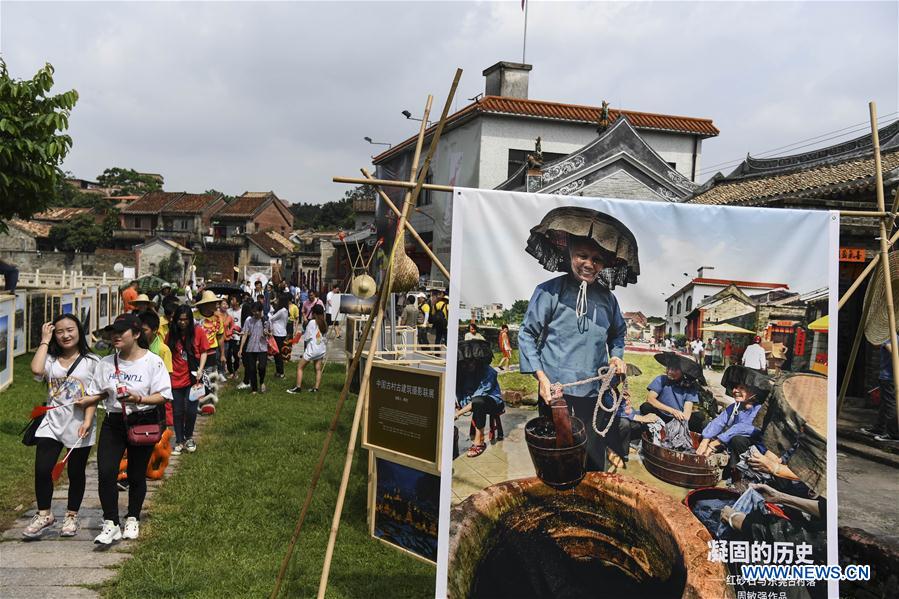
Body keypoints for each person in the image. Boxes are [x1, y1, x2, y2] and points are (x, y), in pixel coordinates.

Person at [518, 207, 638, 472]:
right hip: (555, 392)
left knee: (593, 456)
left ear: (604, 264)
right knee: (557, 455)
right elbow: (527, 333)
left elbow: (617, 333)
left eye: (596, 259)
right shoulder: (549, 292)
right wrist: (541, 378)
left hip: (594, 392)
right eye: (582, 255)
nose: (589, 263)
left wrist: (617, 355)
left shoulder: (608, 299)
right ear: (569, 254)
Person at [93, 314, 172, 544]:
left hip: (142, 421)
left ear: (136, 334)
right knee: (106, 473)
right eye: (113, 332)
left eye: (121, 332)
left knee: (137, 474)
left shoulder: (152, 361)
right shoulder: (106, 363)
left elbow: (164, 395)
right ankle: (110, 522)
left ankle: (133, 517)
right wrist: (85, 403)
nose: (115, 336)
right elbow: (97, 391)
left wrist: (140, 398)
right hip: (114, 422)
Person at [24, 315, 102, 539]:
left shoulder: (92, 361)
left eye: (70, 330)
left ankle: (71, 516)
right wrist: (44, 340)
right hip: (51, 423)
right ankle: (44, 514)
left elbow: (94, 394)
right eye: (59, 331)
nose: (66, 335)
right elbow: (37, 370)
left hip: (79, 425)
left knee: (76, 472)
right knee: (42, 469)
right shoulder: (50, 359)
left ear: (79, 330)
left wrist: (88, 420)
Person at [697, 365, 770, 474]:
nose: (735, 390)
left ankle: (736, 473)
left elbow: (742, 428)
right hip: (730, 441)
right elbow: (718, 422)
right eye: (735, 387)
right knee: (707, 425)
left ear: (754, 392)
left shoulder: (760, 409)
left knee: (737, 439)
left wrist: (714, 443)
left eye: (742, 388)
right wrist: (705, 440)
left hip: (754, 448)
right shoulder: (735, 406)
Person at [166, 305, 209, 455]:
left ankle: (189, 436)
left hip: (193, 378)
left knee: (191, 410)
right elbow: (166, 352)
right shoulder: (171, 333)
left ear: (190, 320)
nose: (183, 323)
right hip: (175, 378)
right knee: (177, 411)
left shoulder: (198, 331)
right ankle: (179, 440)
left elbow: (204, 351)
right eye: (180, 320)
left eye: (185, 320)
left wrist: (200, 369)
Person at [455, 340, 505, 457]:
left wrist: (458, 413)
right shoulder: (463, 372)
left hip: (492, 402)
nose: (468, 365)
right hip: (473, 402)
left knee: (478, 402)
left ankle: (480, 441)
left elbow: (478, 397)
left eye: (471, 362)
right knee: (476, 403)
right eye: (466, 362)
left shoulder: (489, 372)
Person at [639, 351, 704, 432]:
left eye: (674, 370)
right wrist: (672, 411)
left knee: (698, 418)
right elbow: (650, 399)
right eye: (669, 368)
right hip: (659, 414)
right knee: (646, 406)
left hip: (676, 419)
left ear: (683, 372)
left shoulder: (690, 387)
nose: (670, 372)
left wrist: (681, 422)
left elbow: (687, 412)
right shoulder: (661, 379)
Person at [861, 334, 899, 442]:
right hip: (890, 376)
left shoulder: (889, 337)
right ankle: (879, 427)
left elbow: (893, 351)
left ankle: (894, 433)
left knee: (890, 404)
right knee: (885, 403)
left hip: (889, 377)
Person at [287, 304, 328, 394]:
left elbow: (307, 337)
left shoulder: (312, 322)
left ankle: (298, 387)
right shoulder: (324, 323)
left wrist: (305, 324)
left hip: (312, 350)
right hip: (321, 349)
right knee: (318, 369)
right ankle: (316, 388)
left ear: (314, 314)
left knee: (300, 367)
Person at [238, 302, 270, 394]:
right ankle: (254, 389)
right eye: (253, 311)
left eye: (257, 311)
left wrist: (267, 334)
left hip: (262, 347)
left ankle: (262, 381)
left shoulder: (266, 320)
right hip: (251, 347)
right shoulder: (249, 320)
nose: (255, 313)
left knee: (262, 367)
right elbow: (244, 334)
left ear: (261, 311)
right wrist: (241, 348)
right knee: (252, 369)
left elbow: (270, 333)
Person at [193, 290, 224, 378]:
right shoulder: (193, 316)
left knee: (210, 378)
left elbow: (220, 337)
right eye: (213, 303)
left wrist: (222, 354)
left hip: (211, 353)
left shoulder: (218, 318)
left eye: (216, 302)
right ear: (205, 304)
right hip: (196, 352)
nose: (216, 305)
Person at [269, 293, 289, 378]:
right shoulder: (284, 310)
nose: (276, 301)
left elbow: (271, 319)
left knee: (277, 354)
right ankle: (278, 371)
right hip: (280, 333)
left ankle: (280, 372)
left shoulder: (282, 311)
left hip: (278, 334)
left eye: (278, 300)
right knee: (277, 354)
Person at [225, 296, 243, 379]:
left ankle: (235, 370)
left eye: (233, 299)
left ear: (238, 302)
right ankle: (230, 371)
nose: (231, 301)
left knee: (236, 355)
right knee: (228, 355)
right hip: (229, 337)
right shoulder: (228, 311)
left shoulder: (242, 311)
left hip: (238, 337)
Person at [217, 299, 234, 378]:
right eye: (223, 304)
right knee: (217, 356)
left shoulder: (229, 316)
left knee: (224, 356)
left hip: (226, 340)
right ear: (219, 305)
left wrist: (230, 332)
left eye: (226, 304)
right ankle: (218, 371)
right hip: (217, 339)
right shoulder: (216, 315)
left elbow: (232, 327)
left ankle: (223, 372)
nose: (225, 306)